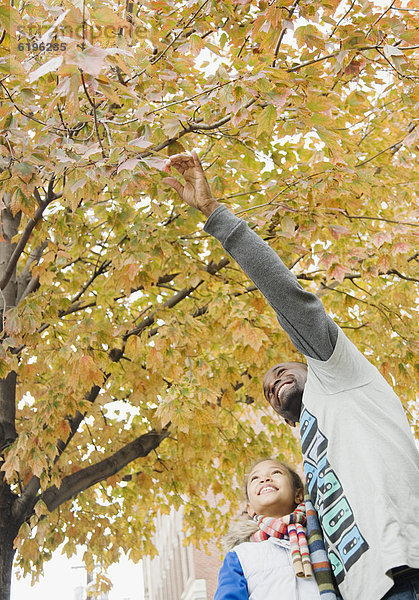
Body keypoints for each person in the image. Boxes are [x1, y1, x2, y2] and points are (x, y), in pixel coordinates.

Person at [163, 151, 419, 600]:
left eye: (282, 370)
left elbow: (290, 298)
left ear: (309, 361)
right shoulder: (312, 446)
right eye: (267, 390)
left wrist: (215, 216)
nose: (272, 382)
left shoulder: (337, 374)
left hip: (406, 568)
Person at [214, 458, 322, 600]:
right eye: (255, 478)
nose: (264, 479)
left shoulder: (320, 538)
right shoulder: (240, 556)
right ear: (250, 508)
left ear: (298, 494)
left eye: (276, 472)